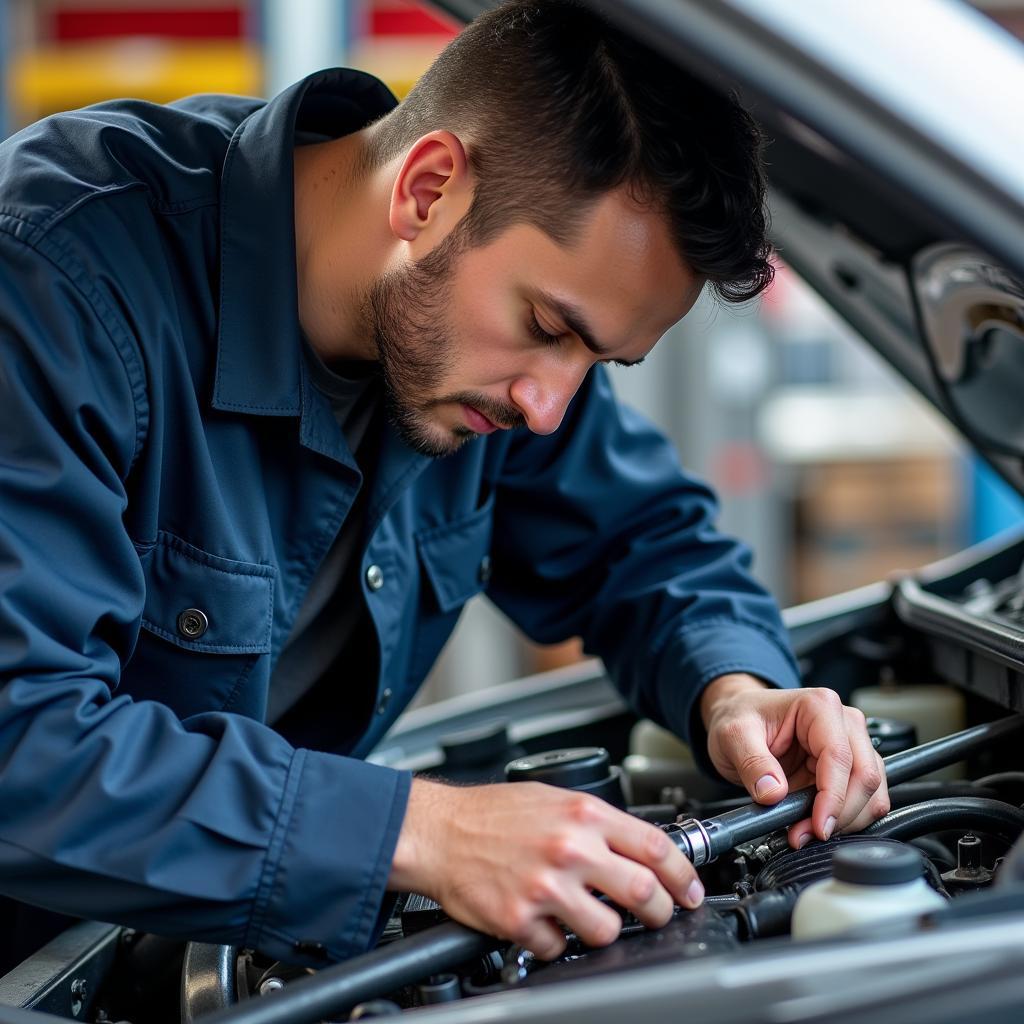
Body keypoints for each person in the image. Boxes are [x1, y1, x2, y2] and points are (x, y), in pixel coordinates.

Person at [0, 0, 889, 973]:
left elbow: (641, 539)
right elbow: (22, 743)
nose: (550, 406)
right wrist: (423, 835)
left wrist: (735, 690)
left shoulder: (474, 355)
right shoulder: (50, 284)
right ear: (426, 191)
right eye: (550, 326)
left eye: (601, 361)